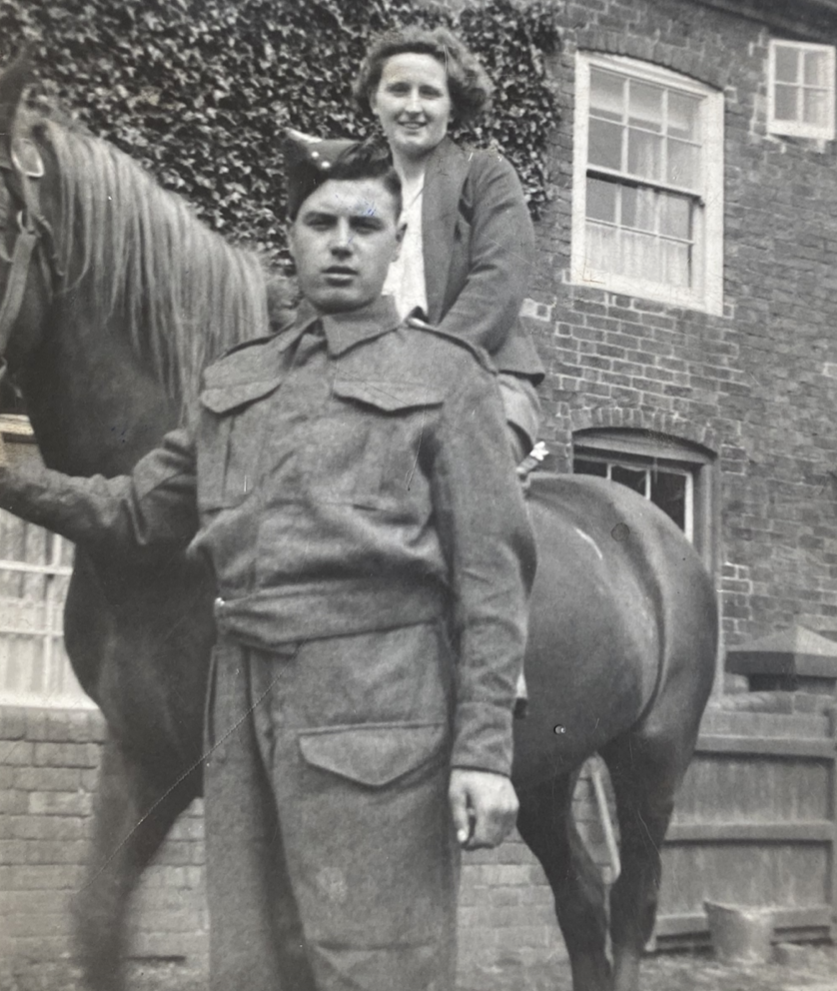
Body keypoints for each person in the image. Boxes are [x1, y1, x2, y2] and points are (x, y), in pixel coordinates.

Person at [0, 140, 536, 991]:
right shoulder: (237, 384)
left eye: (364, 224)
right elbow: (132, 512)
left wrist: (484, 754)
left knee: (375, 964)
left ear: (397, 241)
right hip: (242, 711)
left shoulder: (447, 378)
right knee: (252, 965)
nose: (340, 241)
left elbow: (492, 578)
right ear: (288, 237)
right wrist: (8, 482)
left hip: (379, 708)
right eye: (319, 222)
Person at [355, 25, 545, 463]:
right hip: (368, 382)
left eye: (430, 93)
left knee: (431, 463)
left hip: (482, 376)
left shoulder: (486, 174)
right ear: (374, 100)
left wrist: (427, 359)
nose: (413, 107)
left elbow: (498, 282)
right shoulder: (355, 187)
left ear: (452, 107)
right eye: (398, 90)